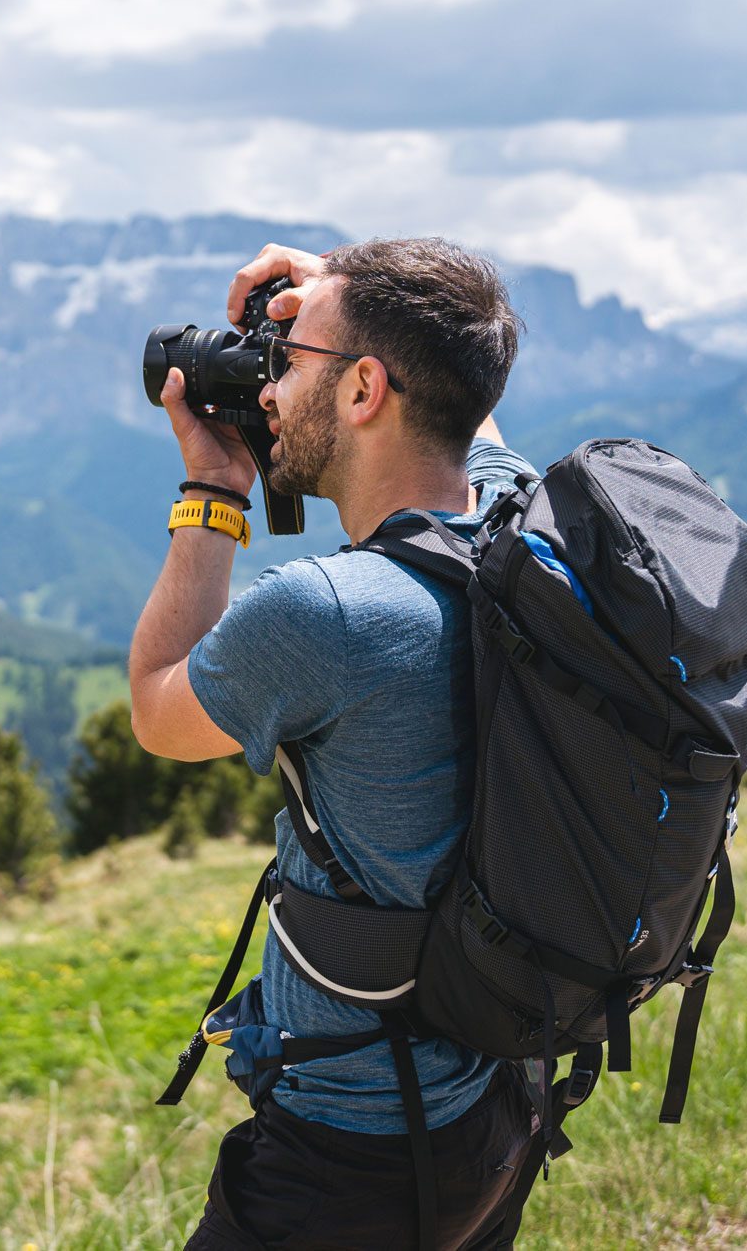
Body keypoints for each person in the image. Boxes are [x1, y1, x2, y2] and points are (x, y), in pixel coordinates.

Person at [129, 237, 545, 1249]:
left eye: (289, 359)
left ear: (364, 388)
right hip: (500, 1101)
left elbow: (154, 707)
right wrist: (340, 288)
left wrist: (214, 491)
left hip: (351, 1149)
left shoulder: (325, 615)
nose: (265, 385)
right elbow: (457, 387)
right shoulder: (517, 513)